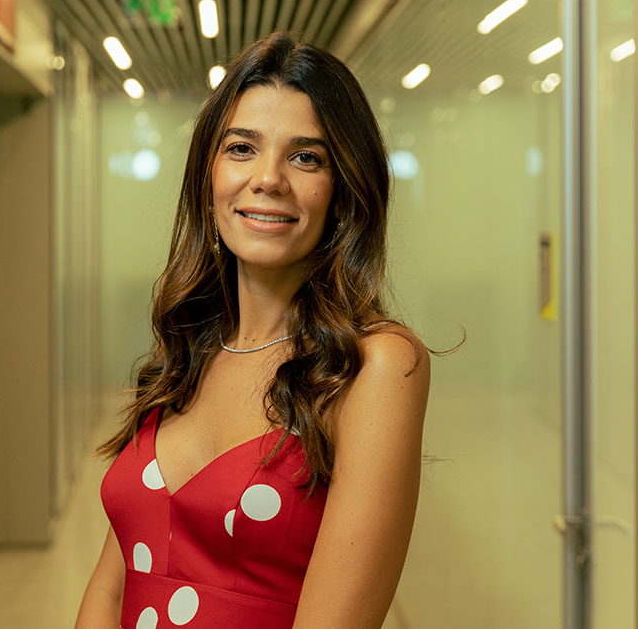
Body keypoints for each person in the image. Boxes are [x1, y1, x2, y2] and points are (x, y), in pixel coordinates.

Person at [76, 31, 434, 629]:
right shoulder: (190, 350)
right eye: (242, 148)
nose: (268, 179)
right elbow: (112, 589)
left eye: (305, 157)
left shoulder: (373, 364)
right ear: (208, 175)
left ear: (342, 192)